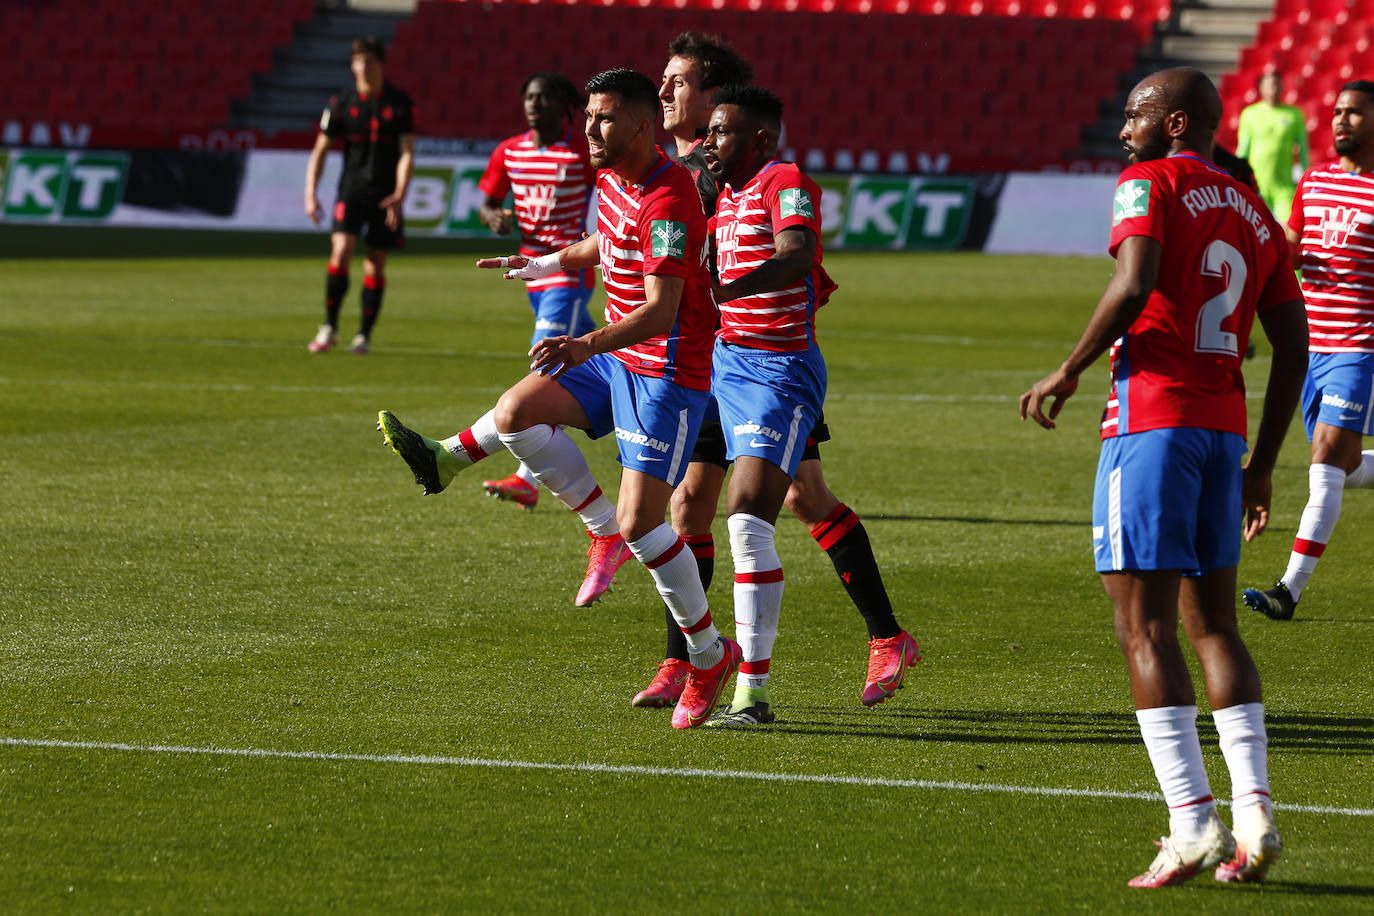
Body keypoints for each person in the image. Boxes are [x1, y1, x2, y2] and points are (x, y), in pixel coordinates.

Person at [377, 69, 742, 729]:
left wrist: (584, 343)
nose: (590, 129)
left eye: (604, 118)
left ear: (641, 125)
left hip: (664, 373)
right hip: (613, 360)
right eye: (590, 117)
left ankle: (709, 655)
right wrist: (542, 264)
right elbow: (606, 242)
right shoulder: (613, 181)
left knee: (647, 525)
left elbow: (661, 312)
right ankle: (597, 529)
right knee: (516, 414)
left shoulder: (672, 196)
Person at [1020, 68, 1308, 887]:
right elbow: (1293, 347)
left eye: (1136, 115)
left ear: (1176, 122)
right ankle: (1254, 820)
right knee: (1215, 626)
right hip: (1223, 434)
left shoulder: (1147, 181)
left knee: (1143, 628)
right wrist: (1262, 467)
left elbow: (1135, 280)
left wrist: (1071, 368)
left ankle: (1192, 826)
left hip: (1150, 424)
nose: (1123, 132)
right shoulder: (1256, 211)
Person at [633, 32, 919, 713]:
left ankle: (756, 681)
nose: (666, 90)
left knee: (763, 506)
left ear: (722, 107)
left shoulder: (763, 177)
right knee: (699, 506)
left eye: (678, 81)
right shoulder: (699, 179)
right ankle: (687, 659)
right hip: (717, 362)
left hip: (771, 363)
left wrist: (724, 293)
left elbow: (795, 256)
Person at [1244, 81, 1374, 621]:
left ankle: (1288, 590)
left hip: (1360, 349)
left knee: (1322, 461)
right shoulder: (1316, 181)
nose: (1341, 120)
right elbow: (1291, 248)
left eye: (1356, 113)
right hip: (1308, 350)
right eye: (1338, 110)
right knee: (1342, 465)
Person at [474, 72, 598, 511]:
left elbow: (610, 186)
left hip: (568, 270)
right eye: (529, 96)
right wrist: (493, 218)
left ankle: (527, 478)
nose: (534, 103)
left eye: (543, 97)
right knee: (596, 357)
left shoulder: (581, 152)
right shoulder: (510, 150)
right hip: (530, 273)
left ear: (561, 104)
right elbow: (487, 199)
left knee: (545, 359)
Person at [304, 36, 414, 355]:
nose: (365, 67)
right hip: (351, 191)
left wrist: (399, 194)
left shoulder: (399, 103)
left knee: (375, 264)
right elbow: (320, 149)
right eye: (359, 61)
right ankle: (329, 326)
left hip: (385, 196)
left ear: (381, 65)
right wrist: (311, 192)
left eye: (371, 61)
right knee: (340, 251)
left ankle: (363, 335)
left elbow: (407, 152)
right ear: (352, 65)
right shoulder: (342, 102)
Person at [1236, 71, 1308, 223]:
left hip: (1284, 186)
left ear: (1282, 87)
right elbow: (1243, 149)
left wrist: (1305, 176)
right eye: (1270, 84)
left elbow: (1303, 150)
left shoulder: (1294, 115)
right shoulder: (1249, 114)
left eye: (1277, 84)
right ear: (1261, 88)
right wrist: (1238, 177)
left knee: (1289, 230)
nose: (1274, 88)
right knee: (1254, 228)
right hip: (1257, 185)